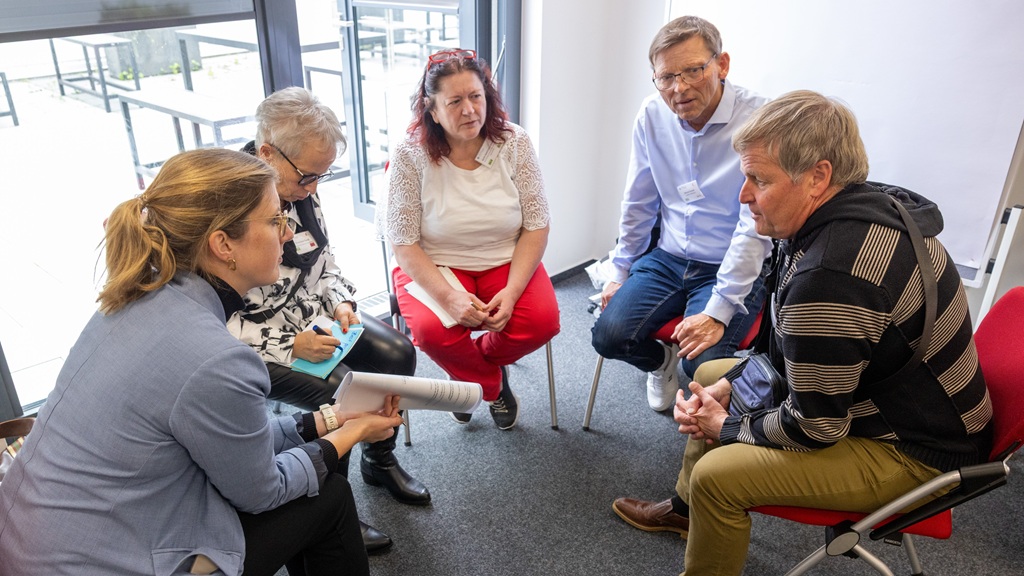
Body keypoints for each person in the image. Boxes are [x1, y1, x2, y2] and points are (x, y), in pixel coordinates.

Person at [610, 90, 993, 576]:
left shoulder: (830, 278)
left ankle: (702, 504)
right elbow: (784, 353)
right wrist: (728, 389)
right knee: (711, 372)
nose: (743, 195)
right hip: (885, 397)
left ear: (818, 177)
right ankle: (688, 514)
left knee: (717, 477)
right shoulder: (851, 213)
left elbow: (814, 427)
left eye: (758, 179)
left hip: (916, 450)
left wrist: (723, 426)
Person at [0, 149, 404, 576]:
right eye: (274, 221)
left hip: (27, 535)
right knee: (329, 497)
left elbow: (231, 439)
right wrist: (353, 432)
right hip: (98, 560)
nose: (286, 234)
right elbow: (263, 491)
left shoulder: (130, 299)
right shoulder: (218, 359)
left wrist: (329, 418)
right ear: (223, 244)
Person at [226, 87, 429, 554]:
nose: (315, 187)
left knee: (396, 353)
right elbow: (212, 318)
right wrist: (291, 345)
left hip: (313, 320)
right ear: (266, 152)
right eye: (309, 176)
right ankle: (329, 506)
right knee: (334, 391)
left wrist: (339, 303)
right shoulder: (230, 205)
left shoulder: (296, 187)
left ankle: (379, 459)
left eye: (324, 174)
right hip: (256, 339)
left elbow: (324, 262)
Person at [590, 15, 773, 412]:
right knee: (608, 335)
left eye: (693, 70)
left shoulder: (760, 119)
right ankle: (660, 363)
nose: (679, 88)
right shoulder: (652, 115)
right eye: (666, 77)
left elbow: (754, 228)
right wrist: (619, 271)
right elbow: (638, 201)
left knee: (702, 364)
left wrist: (720, 308)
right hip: (669, 257)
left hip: (730, 262)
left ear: (721, 64)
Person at [383, 48, 560, 430]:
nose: (469, 110)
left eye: (476, 97)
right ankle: (490, 385)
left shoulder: (515, 142)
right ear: (431, 109)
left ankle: (468, 372)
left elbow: (537, 224)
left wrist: (512, 292)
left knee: (542, 322)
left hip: (504, 259)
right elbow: (403, 243)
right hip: (436, 263)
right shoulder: (409, 154)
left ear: (488, 97)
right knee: (431, 332)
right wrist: (447, 296)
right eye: (455, 101)